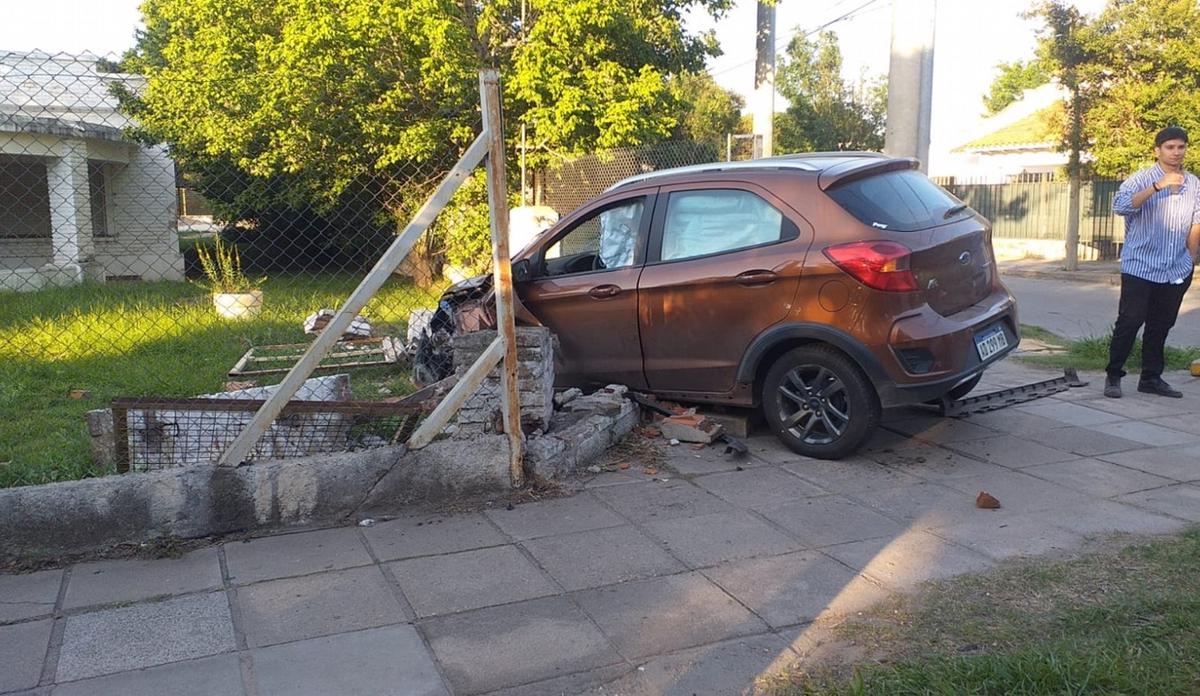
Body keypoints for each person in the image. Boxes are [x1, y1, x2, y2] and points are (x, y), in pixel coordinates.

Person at [1105, 126, 1200, 398]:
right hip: (1141, 266)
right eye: (1170, 147)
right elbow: (1121, 206)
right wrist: (1158, 186)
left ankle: (1151, 377)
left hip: (1176, 268)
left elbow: (1196, 220)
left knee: (1161, 325)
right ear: (1157, 150)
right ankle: (1113, 375)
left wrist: (1191, 258)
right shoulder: (1141, 179)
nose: (1176, 152)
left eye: (1181, 147)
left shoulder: (1193, 183)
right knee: (1130, 321)